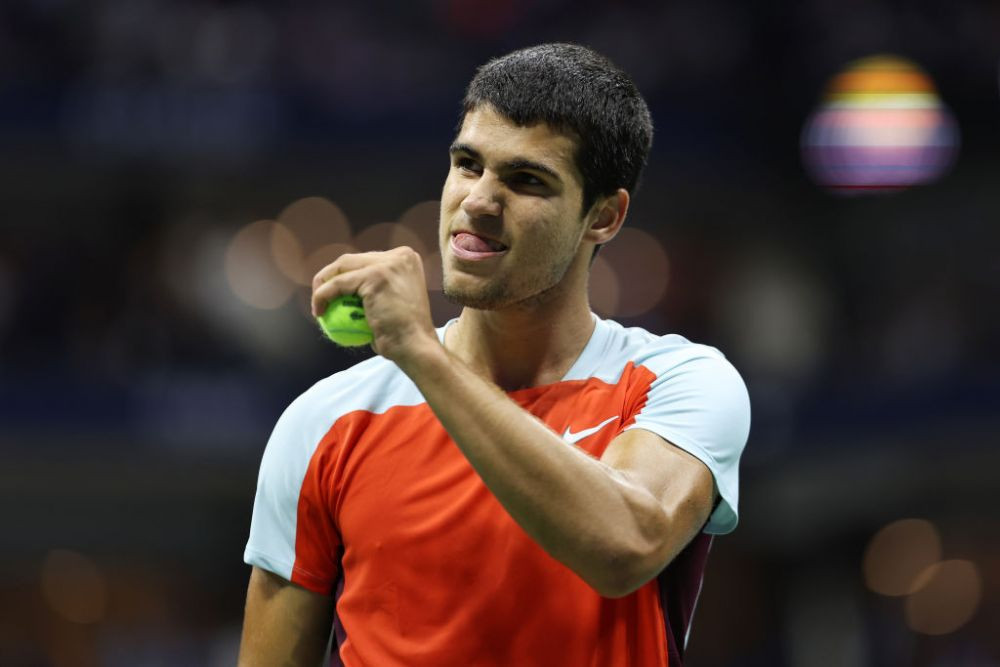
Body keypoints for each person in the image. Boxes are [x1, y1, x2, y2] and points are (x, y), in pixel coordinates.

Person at [238, 43, 750, 667]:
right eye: (467, 164)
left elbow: (627, 544)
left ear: (606, 217)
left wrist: (422, 354)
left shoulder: (678, 383)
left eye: (526, 180)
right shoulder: (326, 422)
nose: (478, 201)